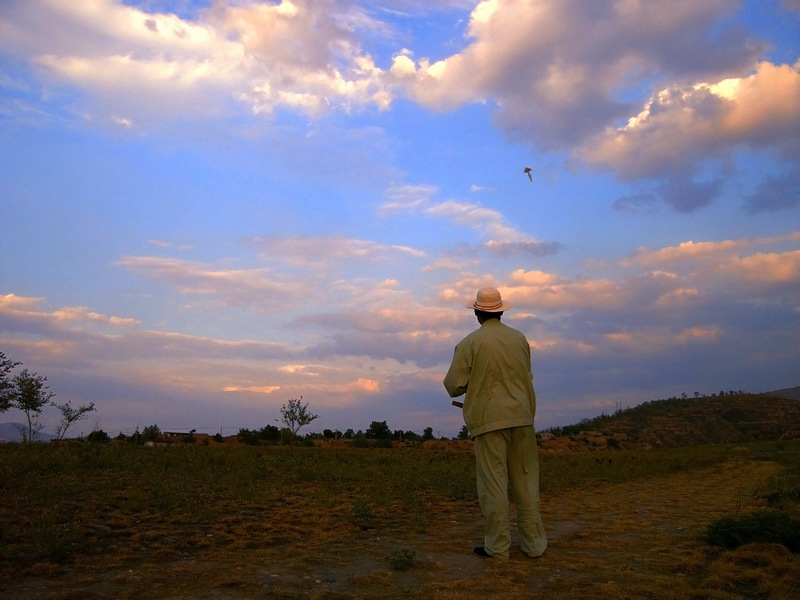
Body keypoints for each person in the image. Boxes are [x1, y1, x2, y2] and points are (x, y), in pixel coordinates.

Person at [443, 287, 547, 559]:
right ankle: (534, 544)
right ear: (501, 311)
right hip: (523, 416)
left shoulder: (469, 343)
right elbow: (526, 374)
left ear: (477, 312)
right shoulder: (519, 339)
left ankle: (498, 547)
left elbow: (454, 385)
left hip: (489, 420)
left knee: (494, 485)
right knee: (526, 481)